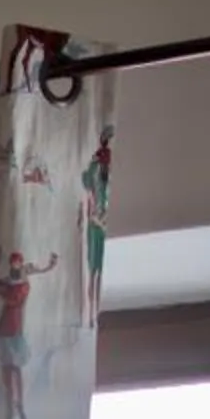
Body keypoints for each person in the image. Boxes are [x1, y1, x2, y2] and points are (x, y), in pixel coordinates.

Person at [0, 249, 61, 419]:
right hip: (4, 331)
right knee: (7, 387)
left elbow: (14, 300)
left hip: (14, 332)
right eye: (12, 265)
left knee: (17, 387)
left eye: (17, 265)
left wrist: (51, 264)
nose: (15, 268)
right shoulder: (8, 282)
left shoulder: (22, 285)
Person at [80, 125, 114, 325]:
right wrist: (95, 161)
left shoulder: (108, 184)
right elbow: (86, 179)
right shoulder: (94, 182)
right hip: (96, 227)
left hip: (104, 227)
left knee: (101, 271)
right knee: (93, 270)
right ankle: (91, 315)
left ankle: (95, 315)